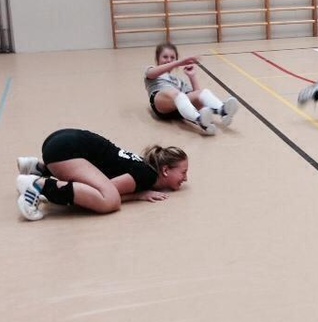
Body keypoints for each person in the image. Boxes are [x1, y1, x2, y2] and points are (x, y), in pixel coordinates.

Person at [15, 128, 189, 221]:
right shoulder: (147, 175)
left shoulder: (144, 166)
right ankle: (38, 185)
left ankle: (39, 168)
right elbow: (107, 191)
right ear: (165, 170)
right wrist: (139, 195)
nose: (186, 178)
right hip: (66, 150)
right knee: (109, 201)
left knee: (95, 186)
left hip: (62, 140)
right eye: (183, 172)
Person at [144, 42, 238, 136]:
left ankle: (222, 111)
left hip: (177, 109)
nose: (169, 60)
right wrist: (179, 62)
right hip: (161, 105)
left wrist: (192, 76)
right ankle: (199, 119)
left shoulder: (178, 81)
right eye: (165, 57)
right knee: (176, 93)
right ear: (157, 59)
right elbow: (151, 74)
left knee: (203, 92)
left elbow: (197, 98)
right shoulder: (151, 70)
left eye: (172, 57)